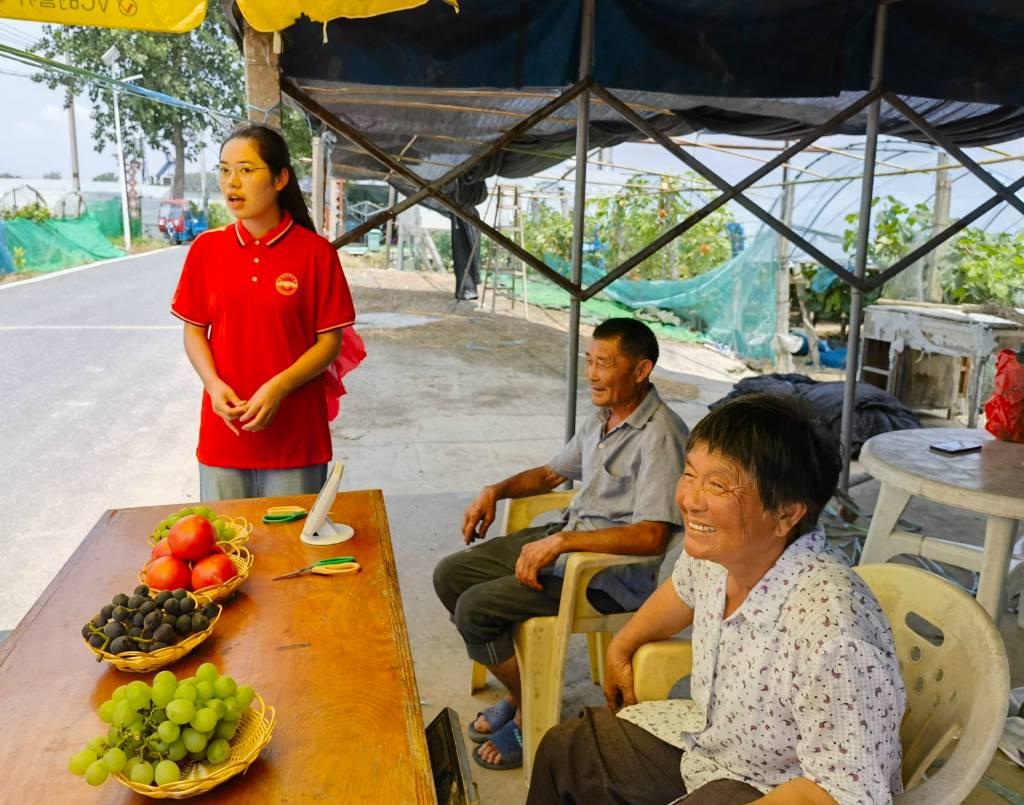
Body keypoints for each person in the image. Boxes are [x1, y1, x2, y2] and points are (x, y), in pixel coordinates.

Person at [527, 394, 906, 805]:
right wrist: (622, 645)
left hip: (777, 784)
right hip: (713, 747)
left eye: (718, 485)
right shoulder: (717, 555)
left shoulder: (835, 637)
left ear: (786, 514)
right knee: (565, 751)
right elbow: (680, 592)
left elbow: (842, 793)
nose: (690, 500)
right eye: (690, 475)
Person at [433, 318, 690, 771]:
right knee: (449, 575)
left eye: (604, 364)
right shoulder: (602, 419)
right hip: (566, 539)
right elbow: (552, 474)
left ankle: (531, 708)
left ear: (641, 369)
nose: (591, 374)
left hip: (606, 574)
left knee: (475, 609)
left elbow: (652, 534)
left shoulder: (662, 435)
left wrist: (565, 542)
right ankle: (519, 690)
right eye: (589, 361)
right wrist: (495, 490)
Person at [170, 124, 357, 501]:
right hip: (225, 433)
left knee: (293, 553)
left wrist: (278, 387)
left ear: (280, 178)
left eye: (246, 169)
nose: (231, 183)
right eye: (224, 170)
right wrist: (213, 384)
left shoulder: (316, 254)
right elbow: (194, 332)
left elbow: (329, 343)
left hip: (296, 436)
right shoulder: (207, 250)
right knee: (228, 549)